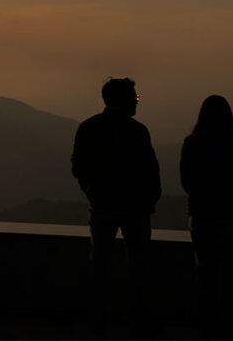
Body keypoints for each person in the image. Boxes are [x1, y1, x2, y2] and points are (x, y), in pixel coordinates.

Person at [71, 77, 160, 335]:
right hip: (135, 209)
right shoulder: (137, 131)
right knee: (138, 265)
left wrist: (91, 191)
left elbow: (78, 166)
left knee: (100, 264)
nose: (136, 101)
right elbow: (150, 169)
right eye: (134, 97)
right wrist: (151, 199)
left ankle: (98, 319)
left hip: (103, 208)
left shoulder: (89, 128)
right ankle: (139, 319)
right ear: (122, 100)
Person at [180, 95, 233, 339]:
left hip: (204, 218)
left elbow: (186, 181)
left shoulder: (192, 143)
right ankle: (230, 325)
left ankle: (206, 325)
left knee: (205, 273)